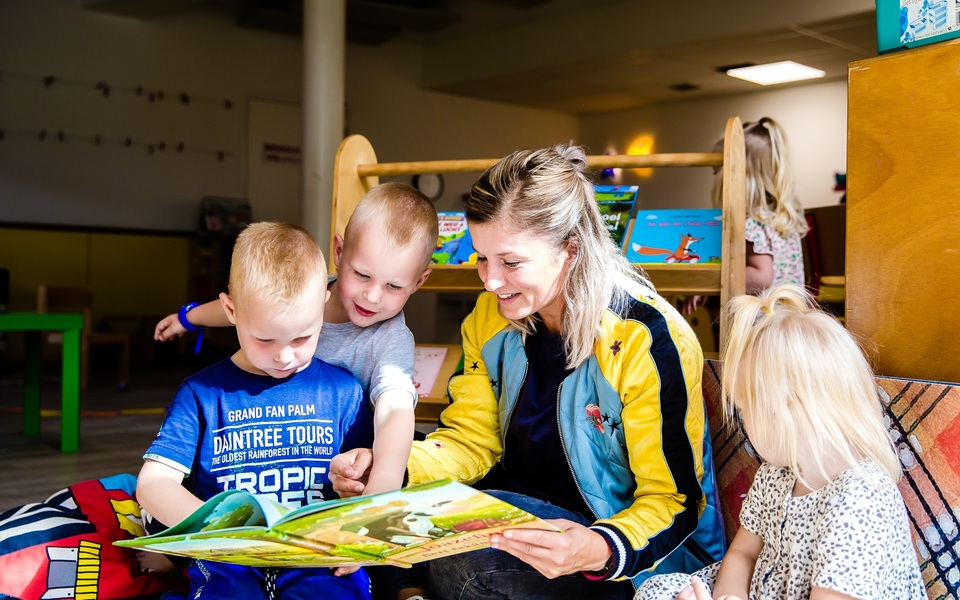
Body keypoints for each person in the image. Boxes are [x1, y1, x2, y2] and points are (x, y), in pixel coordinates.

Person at [331, 143, 726, 600]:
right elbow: (471, 442)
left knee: (466, 567)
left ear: (570, 250)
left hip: (621, 555)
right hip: (516, 523)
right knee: (390, 524)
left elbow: (675, 503)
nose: (491, 281)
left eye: (511, 262)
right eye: (481, 257)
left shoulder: (646, 338)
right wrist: (392, 468)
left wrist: (597, 547)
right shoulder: (488, 317)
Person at [636, 284, 926, 600]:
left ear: (786, 414)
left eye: (745, 410)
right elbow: (744, 553)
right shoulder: (778, 472)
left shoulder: (859, 501)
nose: (744, 426)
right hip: (768, 589)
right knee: (658, 590)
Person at [137, 222, 375, 599]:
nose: (284, 356)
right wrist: (216, 530)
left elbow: (370, 483)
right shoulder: (201, 393)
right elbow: (152, 484)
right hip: (226, 554)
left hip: (318, 554)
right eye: (264, 338)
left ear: (322, 308)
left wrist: (361, 475)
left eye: (302, 337)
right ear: (230, 310)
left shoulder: (343, 391)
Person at [154, 182, 439, 496]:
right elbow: (249, 307)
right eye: (362, 275)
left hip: (333, 464)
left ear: (419, 281)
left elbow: (395, 411)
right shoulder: (307, 289)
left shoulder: (391, 339)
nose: (372, 296)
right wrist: (189, 319)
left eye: (393, 286)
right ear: (340, 252)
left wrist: (383, 488)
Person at [682, 117, 808, 316]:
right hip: (788, 319)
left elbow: (761, 276)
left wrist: (709, 281)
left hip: (762, 322)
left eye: (716, 171)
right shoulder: (776, 220)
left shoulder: (749, 225)